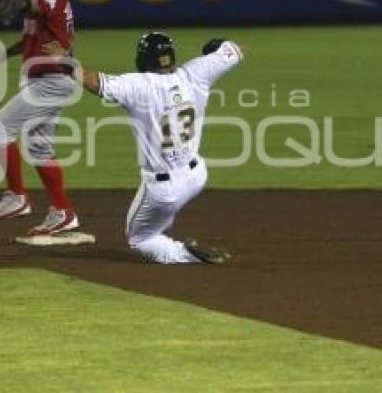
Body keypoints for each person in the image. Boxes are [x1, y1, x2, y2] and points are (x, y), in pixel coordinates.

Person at [44, 32, 244, 264]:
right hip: (196, 176)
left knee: (139, 238)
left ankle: (185, 254)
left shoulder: (137, 85)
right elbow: (236, 50)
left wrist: (64, 61)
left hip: (164, 189)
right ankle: (167, 236)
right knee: (161, 213)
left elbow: (95, 82)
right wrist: (218, 46)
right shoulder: (197, 72)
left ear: (143, 60)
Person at [0, 0, 80, 236]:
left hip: (51, 79)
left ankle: (17, 197)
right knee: (40, 148)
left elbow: (37, 7)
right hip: (49, 78)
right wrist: (5, 54)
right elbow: (31, 36)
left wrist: (22, 5)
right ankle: (63, 212)